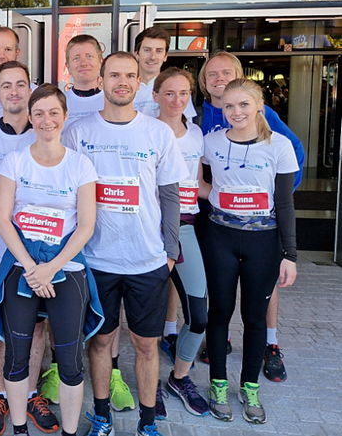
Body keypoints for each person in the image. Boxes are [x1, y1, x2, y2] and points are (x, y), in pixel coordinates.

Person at [63, 52, 188, 436]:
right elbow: (67, 194)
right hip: (97, 260)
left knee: (146, 345)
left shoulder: (158, 133)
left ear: (139, 83)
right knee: (101, 342)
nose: (122, 82)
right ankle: (102, 417)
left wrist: (170, 252)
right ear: (101, 80)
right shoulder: (78, 132)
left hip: (146, 261)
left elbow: (170, 196)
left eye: (130, 76)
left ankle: (147, 423)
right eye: (114, 75)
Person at [0, 83, 102, 436]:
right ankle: (20, 429)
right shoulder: (15, 161)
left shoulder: (80, 164)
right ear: (31, 118)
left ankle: (69, 432)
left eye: (53, 112)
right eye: (39, 113)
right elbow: (2, 219)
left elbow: (86, 225)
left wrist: (51, 268)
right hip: (22, 268)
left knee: (70, 361)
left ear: (65, 116)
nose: (46, 120)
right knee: (16, 357)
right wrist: (32, 268)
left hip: (66, 268)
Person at [0, 61, 59, 436]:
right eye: (7, 85)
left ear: (30, 90)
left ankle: (31, 393)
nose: (14, 91)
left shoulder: (48, 136)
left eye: (21, 84)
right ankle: (1, 394)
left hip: (40, 254)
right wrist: (8, 229)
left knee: (36, 325)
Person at [197, 51, 305, 381]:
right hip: (220, 235)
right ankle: (218, 384)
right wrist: (216, 196)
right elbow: (196, 181)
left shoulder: (279, 144)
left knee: (255, 316)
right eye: (230, 106)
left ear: (259, 106)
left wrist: (290, 254)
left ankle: (251, 384)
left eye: (244, 104)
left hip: (264, 239)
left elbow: (284, 201)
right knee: (219, 311)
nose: (236, 112)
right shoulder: (209, 140)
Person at [154, 67, 211, 417]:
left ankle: (179, 378)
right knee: (146, 321)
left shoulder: (197, 135)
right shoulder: (146, 131)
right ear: (156, 96)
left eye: (184, 93)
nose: (177, 100)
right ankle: (148, 387)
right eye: (169, 93)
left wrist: (240, 196)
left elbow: (200, 184)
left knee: (199, 316)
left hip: (185, 229)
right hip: (149, 231)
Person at [132, 27, 197, 120]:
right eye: (147, 50)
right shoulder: (125, 87)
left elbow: (185, 125)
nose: (153, 57)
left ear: (165, 56)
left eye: (159, 51)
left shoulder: (178, 87)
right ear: (136, 54)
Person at [63, 35, 105, 124]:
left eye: (89, 56)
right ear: (68, 67)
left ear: (100, 63)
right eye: (76, 58)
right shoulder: (59, 103)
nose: (83, 63)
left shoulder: (113, 100)